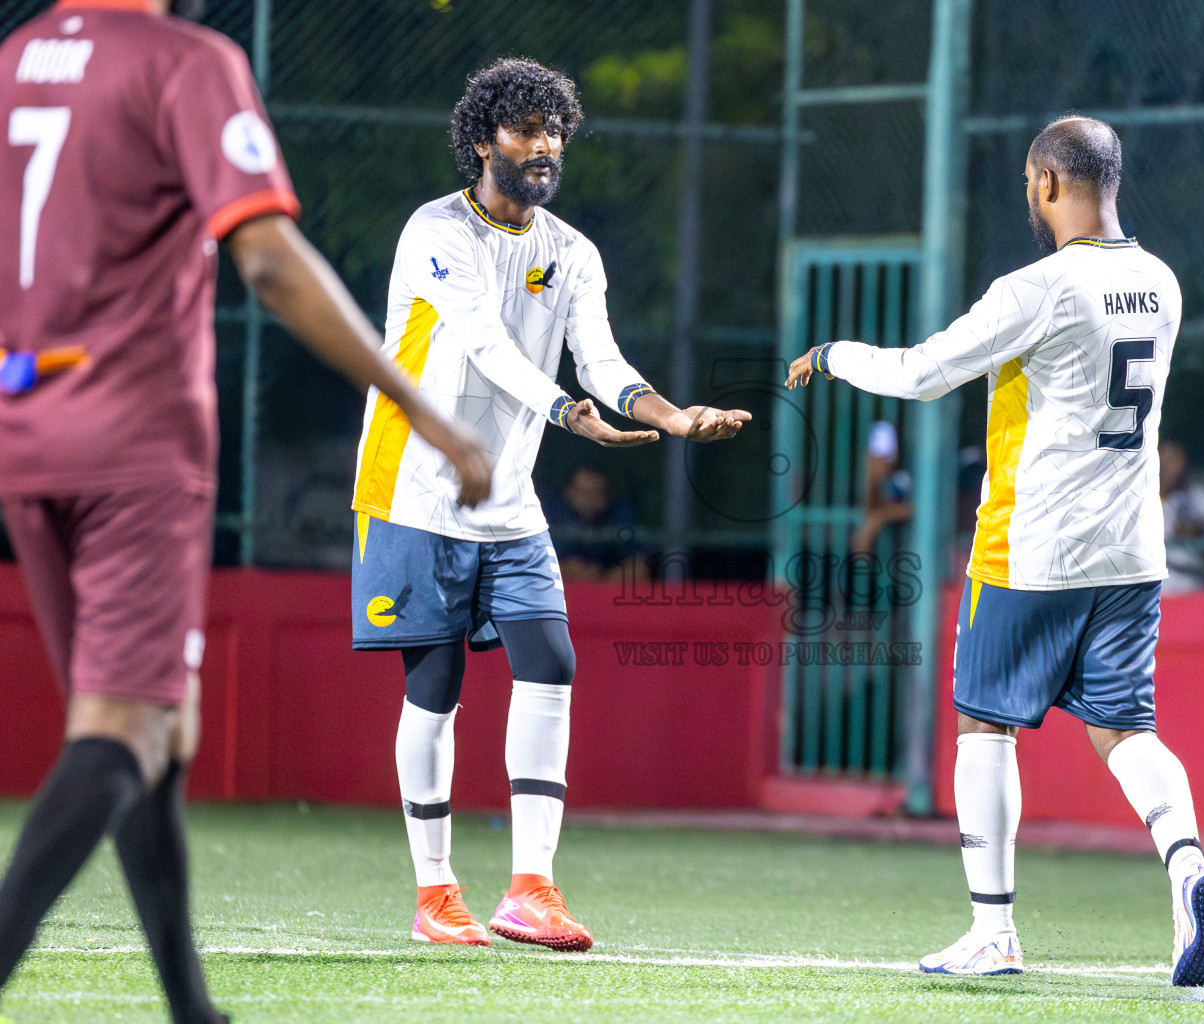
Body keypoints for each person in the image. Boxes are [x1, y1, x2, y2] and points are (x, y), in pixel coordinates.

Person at [0, 2, 492, 1022]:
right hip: (132, 443)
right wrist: (420, 408)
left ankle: (193, 1009)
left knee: (154, 728)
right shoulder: (185, 62)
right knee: (121, 729)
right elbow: (266, 257)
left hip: (25, 433)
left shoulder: (15, 61)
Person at [787, 116, 1204, 988]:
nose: (1030, 195)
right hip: (1133, 552)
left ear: (1049, 182)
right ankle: (1188, 868)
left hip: (1032, 547)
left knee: (983, 723)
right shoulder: (1162, 281)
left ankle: (994, 932)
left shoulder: (1040, 286)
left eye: (1031, 182)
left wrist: (834, 355)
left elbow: (920, 373)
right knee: (1125, 727)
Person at [350, 57, 750, 953]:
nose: (546, 147)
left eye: (556, 132)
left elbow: (599, 357)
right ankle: (435, 892)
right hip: (414, 487)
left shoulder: (572, 251)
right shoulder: (436, 231)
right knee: (434, 688)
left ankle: (531, 887)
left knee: (552, 662)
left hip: (510, 497)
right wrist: (570, 414)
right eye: (527, 130)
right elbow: (485, 345)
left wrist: (669, 415)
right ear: (482, 139)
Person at [544, 464, 648, 582]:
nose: (590, 499)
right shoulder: (548, 514)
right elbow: (535, 563)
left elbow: (639, 566)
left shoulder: (620, 514)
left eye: (598, 492)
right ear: (568, 492)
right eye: (584, 492)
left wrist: (600, 579)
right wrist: (565, 569)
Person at [1160, 437, 1204, 594]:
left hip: (1195, 586)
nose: (1173, 467)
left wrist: (1201, 532)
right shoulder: (1144, 503)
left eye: (1177, 459)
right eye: (1166, 460)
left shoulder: (1203, 497)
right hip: (1158, 591)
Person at [851, 420, 913, 555]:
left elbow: (916, 508)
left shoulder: (904, 477)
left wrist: (881, 516)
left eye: (883, 458)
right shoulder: (872, 478)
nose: (879, 462)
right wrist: (871, 480)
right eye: (875, 458)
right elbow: (869, 508)